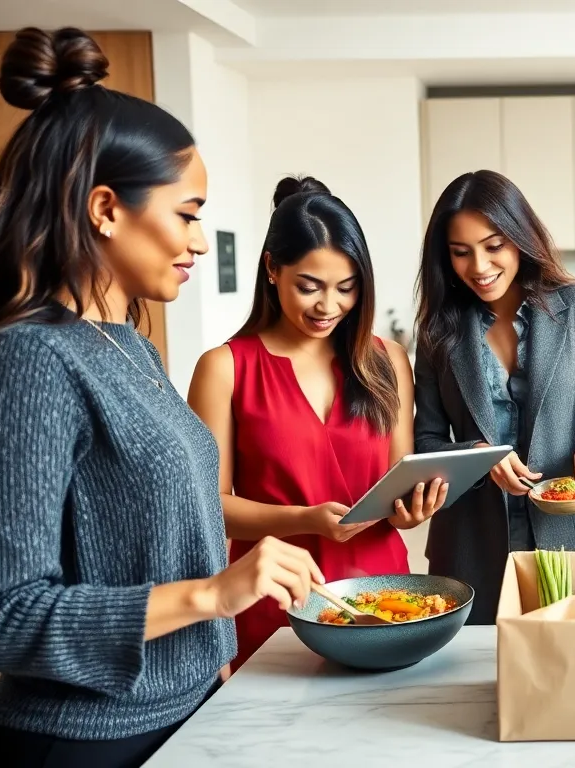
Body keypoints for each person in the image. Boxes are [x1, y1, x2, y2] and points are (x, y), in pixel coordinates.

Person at [0, 27, 327, 767]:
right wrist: (213, 597)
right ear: (106, 209)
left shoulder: (129, 346)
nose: (202, 242)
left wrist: (208, 661)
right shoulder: (29, 363)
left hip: (178, 719)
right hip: (73, 746)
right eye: (188, 213)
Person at [187, 176, 446, 671]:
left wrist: (413, 510)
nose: (329, 306)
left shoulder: (388, 361)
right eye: (309, 287)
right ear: (271, 268)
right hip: (276, 599)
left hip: (385, 598)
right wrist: (305, 519)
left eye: (346, 289)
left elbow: (400, 477)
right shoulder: (224, 368)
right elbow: (208, 508)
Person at [413, 170, 575, 625]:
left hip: (573, 535)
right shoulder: (437, 330)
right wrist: (476, 455)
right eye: (460, 253)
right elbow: (425, 443)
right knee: (482, 680)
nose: (479, 267)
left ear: (521, 238)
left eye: (494, 246)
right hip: (470, 546)